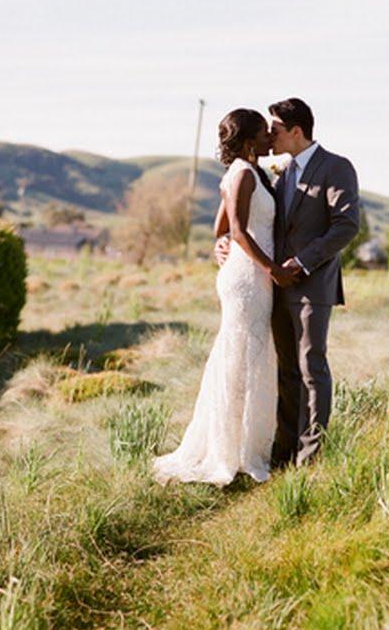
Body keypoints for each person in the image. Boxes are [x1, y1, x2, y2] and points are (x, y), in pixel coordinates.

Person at [215, 96, 361, 469]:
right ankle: (286, 449)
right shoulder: (272, 172)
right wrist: (223, 241)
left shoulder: (336, 167)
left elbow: (346, 226)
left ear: (296, 131)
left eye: (275, 129)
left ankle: (312, 455)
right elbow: (241, 221)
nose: (270, 135)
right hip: (272, 286)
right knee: (284, 369)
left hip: (312, 283)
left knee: (312, 366)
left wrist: (302, 261)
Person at [154, 108, 280, 485]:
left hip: (252, 275)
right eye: (263, 133)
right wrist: (271, 268)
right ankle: (231, 453)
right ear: (247, 142)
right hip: (248, 278)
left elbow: (219, 228)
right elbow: (237, 230)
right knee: (241, 359)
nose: (269, 138)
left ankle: (244, 445)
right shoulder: (242, 173)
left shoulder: (251, 172)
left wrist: (223, 243)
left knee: (248, 358)